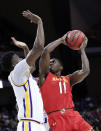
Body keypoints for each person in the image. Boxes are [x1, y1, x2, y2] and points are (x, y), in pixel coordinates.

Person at [1, 10, 46, 131]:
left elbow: (32, 67)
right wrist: (40, 23)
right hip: (30, 125)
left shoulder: (20, 75)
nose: (21, 58)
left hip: (36, 124)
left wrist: (26, 47)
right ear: (13, 64)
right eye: (18, 57)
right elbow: (38, 48)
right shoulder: (17, 72)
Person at [39, 33, 94, 131]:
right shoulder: (44, 77)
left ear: (61, 67)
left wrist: (82, 50)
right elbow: (45, 52)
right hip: (56, 117)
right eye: (49, 62)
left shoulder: (68, 79)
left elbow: (85, 71)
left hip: (73, 115)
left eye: (53, 61)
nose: (50, 62)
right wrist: (61, 40)